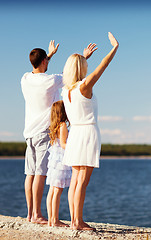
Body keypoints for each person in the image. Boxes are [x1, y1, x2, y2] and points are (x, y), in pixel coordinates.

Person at [21, 40, 97, 224]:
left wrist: (49, 55)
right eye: (46, 59)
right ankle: (37, 215)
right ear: (44, 62)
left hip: (28, 132)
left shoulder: (25, 78)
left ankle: (30, 213)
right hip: (43, 131)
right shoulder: (50, 81)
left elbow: (39, 65)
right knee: (40, 173)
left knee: (30, 173)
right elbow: (69, 75)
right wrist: (84, 57)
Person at [62, 32, 119, 230]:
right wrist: (114, 48)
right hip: (87, 134)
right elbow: (102, 67)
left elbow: (73, 71)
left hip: (75, 134)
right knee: (82, 182)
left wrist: (83, 57)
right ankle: (77, 222)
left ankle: (74, 220)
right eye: (84, 65)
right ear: (81, 69)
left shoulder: (66, 89)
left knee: (75, 180)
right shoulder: (84, 86)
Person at [45, 100, 71, 227]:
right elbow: (64, 144)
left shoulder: (54, 126)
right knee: (57, 191)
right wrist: (75, 147)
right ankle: (55, 220)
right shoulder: (63, 126)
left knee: (52, 190)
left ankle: (51, 219)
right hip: (61, 162)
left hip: (54, 163)